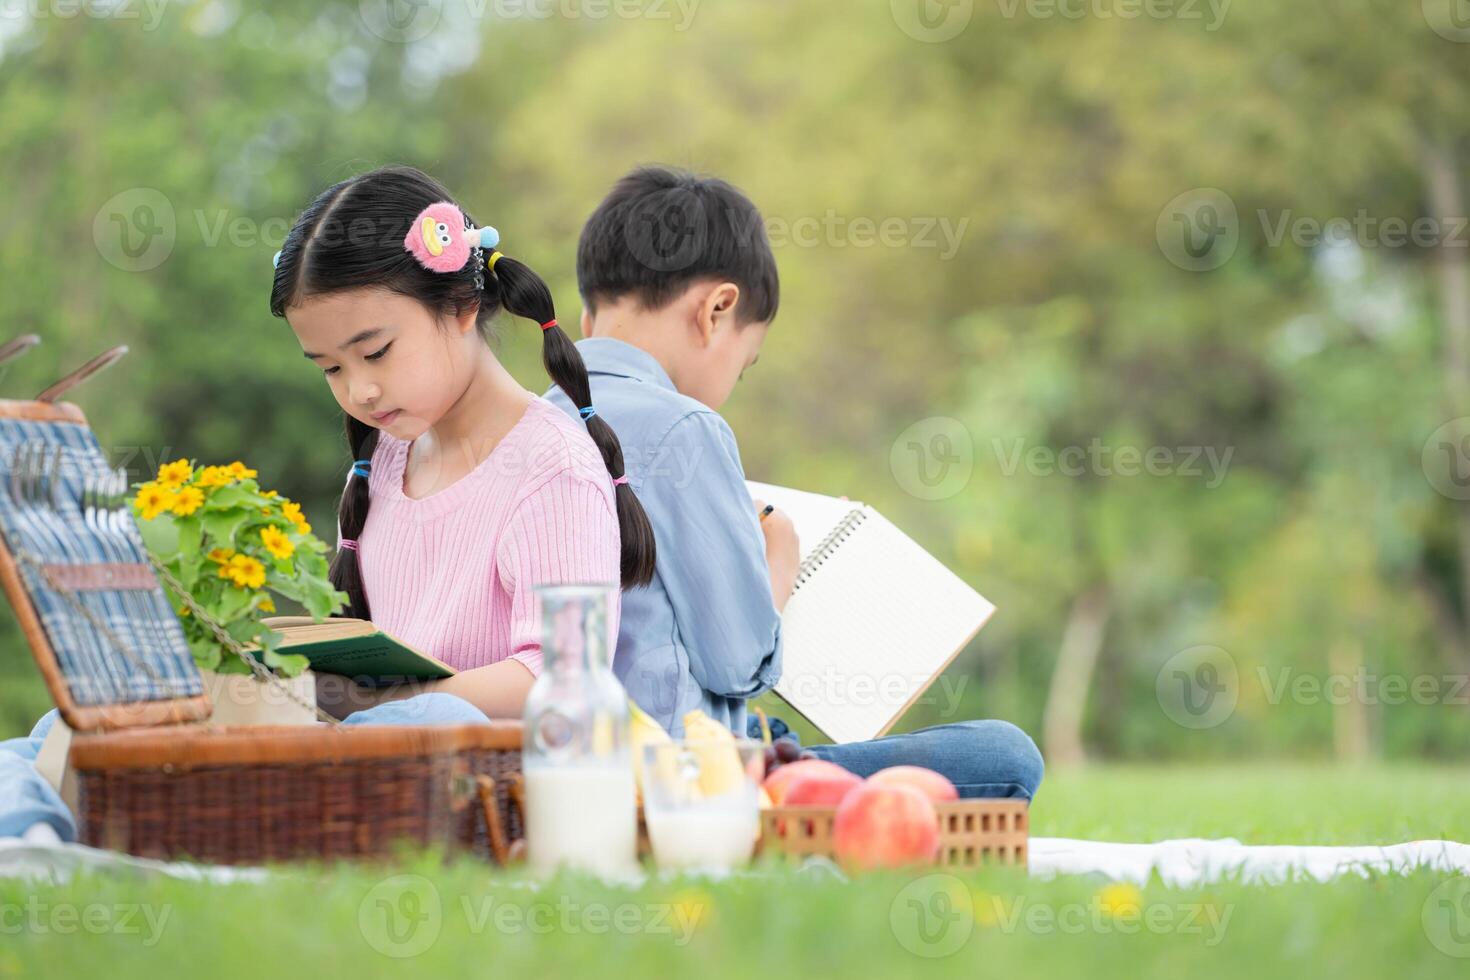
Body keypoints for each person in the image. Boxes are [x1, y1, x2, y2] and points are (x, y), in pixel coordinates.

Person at [544, 166, 1043, 799]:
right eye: (745, 366)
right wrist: (777, 559)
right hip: (685, 777)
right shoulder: (686, 428)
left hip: (575, 754)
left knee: (779, 733)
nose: (732, 384)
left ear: (589, 317)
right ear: (717, 310)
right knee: (1003, 755)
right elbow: (737, 662)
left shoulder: (537, 418)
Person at [269, 164, 657, 720]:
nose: (360, 389)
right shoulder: (381, 463)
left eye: (376, 352)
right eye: (331, 368)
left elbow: (566, 675)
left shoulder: (554, 468)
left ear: (460, 305)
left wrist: (388, 705)